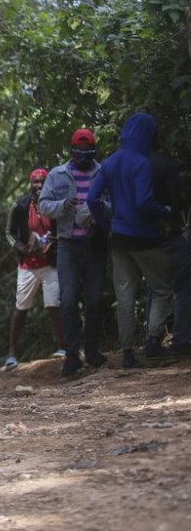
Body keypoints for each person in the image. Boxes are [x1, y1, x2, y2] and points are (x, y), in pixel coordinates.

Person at [89, 113, 174, 368]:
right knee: (162, 288)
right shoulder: (142, 162)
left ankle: (127, 353)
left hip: (119, 238)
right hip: (144, 237)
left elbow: (93, 199)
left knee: (124, 295)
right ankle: (152, 341)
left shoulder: (110, 161)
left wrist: (107, 223)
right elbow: (143, 202)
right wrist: (165, 212)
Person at [38, 128, 110, 376]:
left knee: (94, 299)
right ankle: (71, 355)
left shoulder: (103, 172)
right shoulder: (57, 174)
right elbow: (43, 205)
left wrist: (98, 209)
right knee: (67, 300)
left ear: (93, 152)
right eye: (78, 153)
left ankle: (91, 350)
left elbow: (113, 203)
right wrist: (63, 205)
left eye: (87, 153)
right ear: (71, 151)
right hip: (68, 244)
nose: (83, 157)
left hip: (95, 244)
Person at [4, 167, 66, 370]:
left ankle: (64, 347)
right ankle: (12, 354)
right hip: (28, 265)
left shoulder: (55, 205)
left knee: (54, 304)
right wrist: (22, 247)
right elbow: (9, 232)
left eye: (43, 182)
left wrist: (53, 243)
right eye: (35, 182)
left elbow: (63, 229)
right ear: (30, 184)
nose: (39, 186)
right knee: (21, 307)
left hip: (50, 263)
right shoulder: (20, 206)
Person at [149, 148, 191, 354]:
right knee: (185, 285)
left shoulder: (138, 166)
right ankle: (181, 339)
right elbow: (180, 201)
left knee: (155, 287)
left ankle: (152, 340)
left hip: (144, 236)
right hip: (171, 234)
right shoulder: (169, 169)